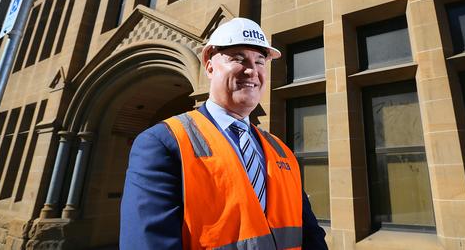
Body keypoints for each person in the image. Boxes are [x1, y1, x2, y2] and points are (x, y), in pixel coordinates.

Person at [120, 17, 328, 249]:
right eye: (238, 58)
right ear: (209, 65)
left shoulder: (282, 151)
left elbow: (311, 236)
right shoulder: (164, 143)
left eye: (260, 62)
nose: (252, 70)